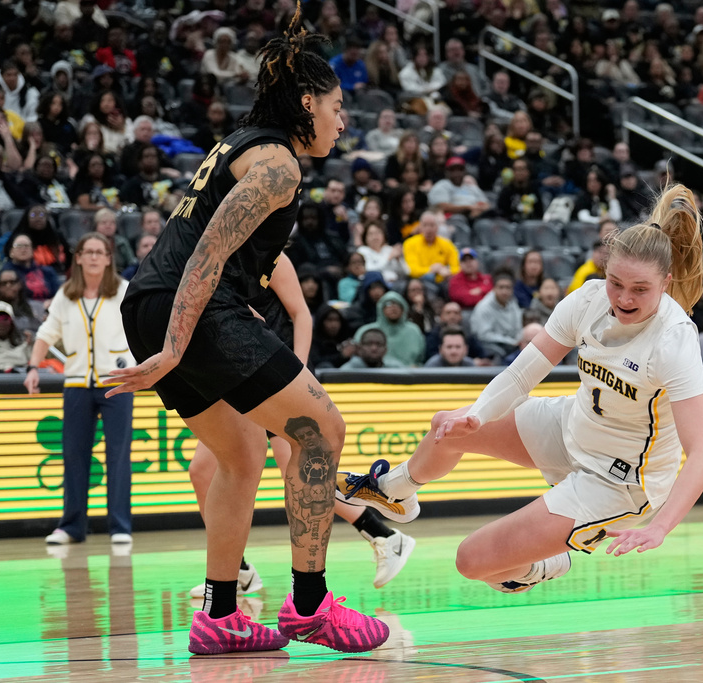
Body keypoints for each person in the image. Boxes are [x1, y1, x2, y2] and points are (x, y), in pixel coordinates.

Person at [103, 11, 391, 656]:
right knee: (321, 431)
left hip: (152, 300)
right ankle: (311, 605)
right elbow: (206, 253)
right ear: (308, 101)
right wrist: (177, 345)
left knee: (241, 457)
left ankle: (221, 614)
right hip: (188, 305)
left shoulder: (246, 142)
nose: (344, 122)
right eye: (338, 107)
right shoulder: (278, 164)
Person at [336, 184, 703, 594]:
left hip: (619, 481)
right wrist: (477, 415)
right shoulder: (587, 300)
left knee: (473, 561)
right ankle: (396, 493)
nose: (623, 298)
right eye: (615, 282)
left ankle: (551, 562)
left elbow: (702, 456)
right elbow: (520, 376)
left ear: (666, 281)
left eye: (639, 289)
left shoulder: (674, 339)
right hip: (573, 425)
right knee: (447, 426)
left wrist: (659, 527)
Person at [187, 253, 415, 598]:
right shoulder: (217, 257)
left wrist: (298, 375)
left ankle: (384, 536)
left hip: (273, 372)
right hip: (240, 373)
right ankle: (239, 569)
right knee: (202, 471)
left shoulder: (272, 256)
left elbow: (301, 315)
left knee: (299, 473)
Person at [25, 233, 134, 545]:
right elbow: (46, 333)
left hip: (116, 383)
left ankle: (120, 527)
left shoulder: (123, 292)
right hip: (76, 384)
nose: (95, 257)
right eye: (88, 252)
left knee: (118, 455)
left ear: (109, 258)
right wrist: (33, 366)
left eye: (100, 252)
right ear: (79, 257)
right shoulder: (65, 295)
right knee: (73, 455)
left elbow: (142, 327)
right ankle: (72, 526)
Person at [354, 291, 426, 367]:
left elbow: (421, 359)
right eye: (388, 304)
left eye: (397, 304)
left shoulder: (414, 331)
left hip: (408, 375)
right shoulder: (366, 331)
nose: (393, 307)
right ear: (381, 308)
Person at [471, 270, 523, 360]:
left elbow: (518, 327)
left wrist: (519, 340)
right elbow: (484, 335)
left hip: (511, 344)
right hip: (489, 346)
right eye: (501, 287)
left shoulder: (513, 302)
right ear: (494, 288)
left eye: (508, 288)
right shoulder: (484, 307)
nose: (504, 291)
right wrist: (510, 341)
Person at [402, 211, 460, 283]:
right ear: (420, 227)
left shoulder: (447, 244)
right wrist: (432, 270)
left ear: (437, 227)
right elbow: (412, 270)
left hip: (443, 280)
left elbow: (457, 268)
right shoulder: (409, 243)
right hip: (421, 281)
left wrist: (447, 272)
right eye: (425, 225)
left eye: (432, 225)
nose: (428, 229)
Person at [0, 301, 30, 372]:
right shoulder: (24, 346)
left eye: (5, 318)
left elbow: (32, 361)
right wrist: (21, 351)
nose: (0, 323)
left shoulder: (24, 341)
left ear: (12, 322)